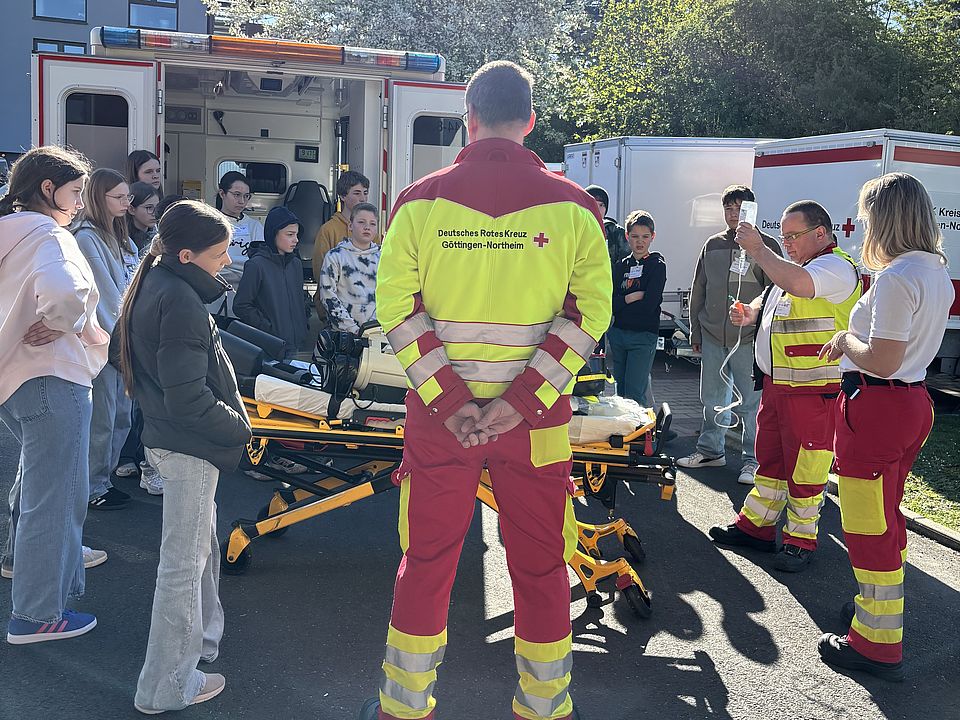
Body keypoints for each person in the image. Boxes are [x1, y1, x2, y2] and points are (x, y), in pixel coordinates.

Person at [361, 61, 610, 720]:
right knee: (541, 567)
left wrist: (453, 402)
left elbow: (398, 309)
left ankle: (405, 708)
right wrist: (516, 405)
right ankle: (544, 707)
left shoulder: (418, 202)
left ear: (466, 119)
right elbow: (589, 317)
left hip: (441, 423)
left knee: (428, 560)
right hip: (537, 424)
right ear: (530, 120)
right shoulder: (577, 208)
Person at [112, 200, 252, 713]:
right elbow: (188, 397)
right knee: (182, 566)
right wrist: (238, 427)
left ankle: (200, 647)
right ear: (187, 254)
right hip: (187, 446)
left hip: (169, 440)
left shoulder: (152, 283)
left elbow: (117, 354)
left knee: (200, 552)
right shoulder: (183, 301)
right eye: (219, 255)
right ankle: (166, 685)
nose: (227, 262)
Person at [816, 174, 954, 681]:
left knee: (866, 525)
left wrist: (844, 340)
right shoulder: (933, 270)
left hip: (877, 408)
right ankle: (875, 617)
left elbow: (882, 359)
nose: (864, 226)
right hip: (911, 404)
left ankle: (875, 642)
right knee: (886, 516)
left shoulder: (897, 277)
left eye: (869, 216)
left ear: (885, 218)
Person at [708, 201, 862, 572]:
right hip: (781, 388)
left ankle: (800, 541)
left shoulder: (836, 267)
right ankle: (756, 528)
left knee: (807, 469)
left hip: (814, 392)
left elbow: (797, 284)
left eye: (793, 236)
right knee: (771, 463)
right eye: (783, 236)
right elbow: (777, 296)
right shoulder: (802, 267)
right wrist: (752, 312)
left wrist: (759, 248)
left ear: (821, 233)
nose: (787, 243)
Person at [0, 146, 110, 644]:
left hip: (13, 380)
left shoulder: (7, 231)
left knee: (36, 483)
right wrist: (64, 321)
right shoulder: (50, 235)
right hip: (53, 376)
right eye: (73, 193)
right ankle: (38, 612)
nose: (79, 204)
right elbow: (65, 294)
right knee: (59, 496)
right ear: (48, 189)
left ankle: (18, 564)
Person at [679, 185, 783, 484]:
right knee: (711, 398)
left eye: (739, 208)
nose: (732, 214)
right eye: (728, 208)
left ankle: (753, 462)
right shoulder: (712, 244)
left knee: (752, 404)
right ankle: (711, 451)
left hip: (749, 339)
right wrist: (694, 331)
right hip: (712, 336)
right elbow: (699, 288)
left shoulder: (766, 246)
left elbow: (775, 290)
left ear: (751, 210)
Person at [73, 168, 141, 511]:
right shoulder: (88, 237)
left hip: (120, 339)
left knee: (120, 415)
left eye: (128, 197)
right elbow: (105, 297)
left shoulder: (116, 234)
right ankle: (93, 486)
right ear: (99, 198)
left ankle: (102, 479)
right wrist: (122, 342)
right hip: (107, 344)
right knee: (104, 417)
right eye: (120, 197)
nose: (127, 203)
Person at [607, 210, 666, 405]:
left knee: (634, 394)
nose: (639, 242)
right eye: (634, 237)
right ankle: (624, 434)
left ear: (652, 237)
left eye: (645, 237)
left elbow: (650, 304)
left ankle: (642, 434)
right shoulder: (621, 266)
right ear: (627, 237)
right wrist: (632, 297)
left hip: (643, 335)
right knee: (620, 392)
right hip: (618, 334)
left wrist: (624, 301)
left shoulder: (657, 265)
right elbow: (612, 304)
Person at [234, 206, 308, 358]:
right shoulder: (256, 265)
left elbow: (301, 299)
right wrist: (268, 329)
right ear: (273, 234)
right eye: (290, 234)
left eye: (297, 234)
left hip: (299, 345)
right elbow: (241, 305)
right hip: (270, 347)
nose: (296, 240)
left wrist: (303, 325)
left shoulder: (296, 264)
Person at [312, 170, 381, 316]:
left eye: (365, 192)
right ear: (343, 196)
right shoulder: (328, 230)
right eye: (356, 193)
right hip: (336, 312)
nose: (363, 198)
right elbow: (320, 271)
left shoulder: (372, 230)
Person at [317, 201, 380, 333]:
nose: (367, 227)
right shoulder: (335, 256)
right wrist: (352, 329)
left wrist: (373, 328)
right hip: (343, 335)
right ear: (350, 226)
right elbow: (328, 295)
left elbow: (389, 294)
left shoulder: (384, 259)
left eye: (372, 223)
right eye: (361, 222)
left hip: (377, 332)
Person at [216, 171, 265, 299]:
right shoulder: (210, 223)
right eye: (237, 195)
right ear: (222, 193)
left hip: (249, 290)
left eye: (246, 196)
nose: (242, 201)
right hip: (217, 288)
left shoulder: (255, 226)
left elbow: (261, 262)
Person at [584, 184, 629, 263]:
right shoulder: (575, 231)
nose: (597, 209)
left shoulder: (616, 233)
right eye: (593, 204)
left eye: (601, 205)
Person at [126, 181, 159, 254]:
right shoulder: (123, 239)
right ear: (131, 209)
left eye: (157, 207)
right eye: (149, 207)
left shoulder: (159, 235)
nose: (155, 213)